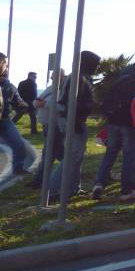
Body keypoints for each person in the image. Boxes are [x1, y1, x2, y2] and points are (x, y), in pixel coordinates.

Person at [92, 60, 135, 200]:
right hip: (129, 125)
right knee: (129, 157)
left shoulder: (122, 80)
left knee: (110, 154)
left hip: (113, 122)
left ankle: (99, 183)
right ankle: (126, 190)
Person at [47, 51, 101, 198]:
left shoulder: (79, 77)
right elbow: (72, 103)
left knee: (77, 157)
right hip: (73, 121)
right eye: (95, 65)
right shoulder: (78, 78)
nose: (97, 68)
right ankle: (52, 190)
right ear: (88, 63)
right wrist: (76, 122)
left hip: (75, 120)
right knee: (72, 156)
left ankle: (73, 188)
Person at [28, 69, 65, 189]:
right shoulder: (50, 88)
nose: (52, 79)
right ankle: (71, 172)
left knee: (48, 154)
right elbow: (36, 101)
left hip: (55, 126)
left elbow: (60, 106)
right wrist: (39, 103)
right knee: (60, 154)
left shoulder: (63, 89)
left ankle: (40, 180)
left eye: (55, 77)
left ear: (61, 77)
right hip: (47, 125)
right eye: (52, 77)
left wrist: (44, 103)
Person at [0, 53, 31, 176]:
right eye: (5, 63)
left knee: (18, 145)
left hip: (4, 120)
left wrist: (25, 105)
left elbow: (17, 101)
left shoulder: (8, 85)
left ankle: (18, 168)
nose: (6, 67)